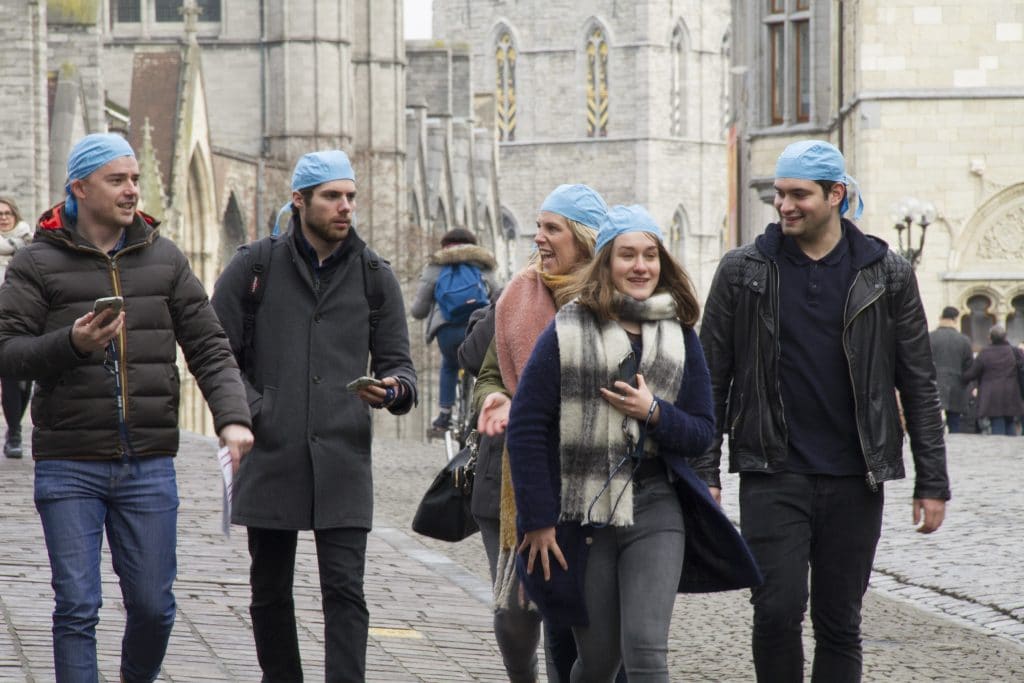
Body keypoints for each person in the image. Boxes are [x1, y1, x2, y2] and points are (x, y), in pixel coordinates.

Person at [0, 133, 254, 682]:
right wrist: (72, 343)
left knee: (154, 608)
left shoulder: (164, 257)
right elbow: (8, 351)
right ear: (80, 188)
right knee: (77, 607)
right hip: (69, 461)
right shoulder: (37, 262)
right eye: (117, 180)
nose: (131, 190)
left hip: (149, 462)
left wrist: (232, 417)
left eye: (135, 179)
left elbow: (209, 346)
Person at [697, 139, 950, 682]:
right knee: (776, 609)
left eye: (799, 195)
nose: (784, 205)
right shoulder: (743, 270)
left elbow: (918, 383)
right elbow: (710, 377)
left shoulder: (887, 273)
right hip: (772, 471)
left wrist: (933, 481)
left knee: (839, 621)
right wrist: (705, 471)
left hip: (855, 476)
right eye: (780, 194)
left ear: (835, 194)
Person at [506, 205, 761, 681]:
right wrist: (537, 521)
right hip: (587, 512)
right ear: (606, 261)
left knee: (646, 651)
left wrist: (655, 413)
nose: (640, 266)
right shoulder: (567, 329)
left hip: (657, 506)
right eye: (627, 255)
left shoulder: (679, 335)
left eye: (650, 254)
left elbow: (702, 431)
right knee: (600, 661)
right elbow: (526, 427)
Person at [212, 149, 417, 682]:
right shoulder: (253, 267)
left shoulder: (375, 277)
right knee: (269, 589)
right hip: (271, 450)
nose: (345, 206)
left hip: (344, 456)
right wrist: (256, 409)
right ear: (299, 200)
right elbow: (216, 354)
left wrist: (392, 389)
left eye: (350, 196)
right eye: (332, 196)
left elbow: (401, 367)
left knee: (346, 590)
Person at [472, 183, 610, 682]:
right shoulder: (518, 294)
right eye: (538, 227)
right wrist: (496, 397)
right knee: (514, 615)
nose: (539, 238)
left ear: (584, 239)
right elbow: (488, 372)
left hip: (587, 480)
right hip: (511, 473)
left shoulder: (611, 300)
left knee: (570, 615)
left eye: (552, 228)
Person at [410, 227, 499, 434]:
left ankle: (444, 416)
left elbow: (419, 310)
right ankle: (484, 409)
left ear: (445, 246)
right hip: (477, 326)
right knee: (483, 367)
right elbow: (499, 296)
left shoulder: (435, 266)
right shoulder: (483, 263)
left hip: (447, 330)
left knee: (450, 364)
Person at [0, 196, 34, 457]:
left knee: (23, 380)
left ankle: (14, 428)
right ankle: (14, 434)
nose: (3, 218)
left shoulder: (29, 245)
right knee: (9, 375)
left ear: (15, 215)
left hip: (22, 317)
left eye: (7, 213)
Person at [963, 324, 1024, 436]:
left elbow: (973, 372)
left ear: (990, 337)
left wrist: (961, 377)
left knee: (997, 423)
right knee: (1010, 422)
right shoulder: (1015, 352)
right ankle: (1011, 446)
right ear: (1005, 337)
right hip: (1011, 393)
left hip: (992, 395)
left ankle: (1000, 446)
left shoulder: (985, 353)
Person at [929, 306, 974, 433]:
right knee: (954, 422)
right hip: (957, 385)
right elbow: (969, 367)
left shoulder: (930, 337)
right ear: (955, 319)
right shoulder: (964, 340)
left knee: (932, 421)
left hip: (932, 383)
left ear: (941, 318)